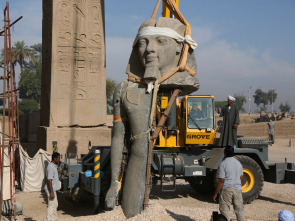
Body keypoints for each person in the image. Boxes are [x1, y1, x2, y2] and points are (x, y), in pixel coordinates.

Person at [213, 146, 245, 221]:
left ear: (225, 153)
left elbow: (221, 180)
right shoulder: (238, 163)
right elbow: (241, 178)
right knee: (239, 210)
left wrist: (215, 194)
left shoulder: (223, 164)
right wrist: (238, 187)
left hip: (227, 189)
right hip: (237, 189)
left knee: (225, 211)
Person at [44, 152, 61, 221]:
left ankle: (54, 219)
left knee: (55, 204)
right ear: (55, 158)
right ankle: (49, 219)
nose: (59, 160)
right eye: (58, 158)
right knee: (51, 206)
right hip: (51, 190)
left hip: (53, 189)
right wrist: (51, 192)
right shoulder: (50, 167)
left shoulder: (54, 166)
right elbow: (49, 180)